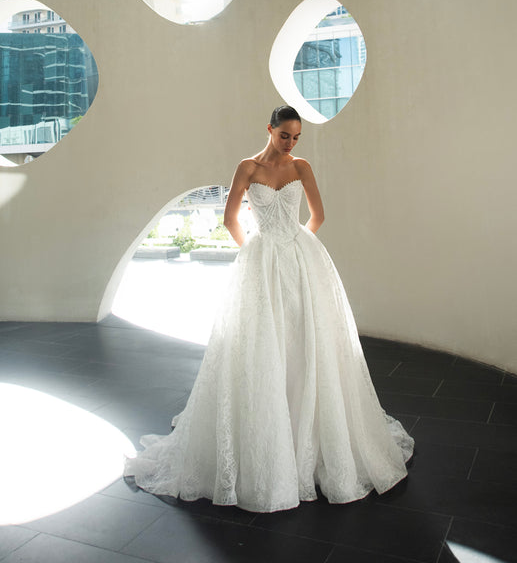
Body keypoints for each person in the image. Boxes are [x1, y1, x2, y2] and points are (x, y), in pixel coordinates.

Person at [124, 106, 414, 512]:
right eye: (284, 135)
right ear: (270, 129)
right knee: (263, 344)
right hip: (262, 261)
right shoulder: (247, 168)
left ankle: (309, 432)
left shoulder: (302, 167)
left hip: (300, 261)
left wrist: (295, 246)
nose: (290, 143)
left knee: (303, 339)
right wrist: (256, 253)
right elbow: (230, 219)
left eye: (296, 137)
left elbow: (318, 216)